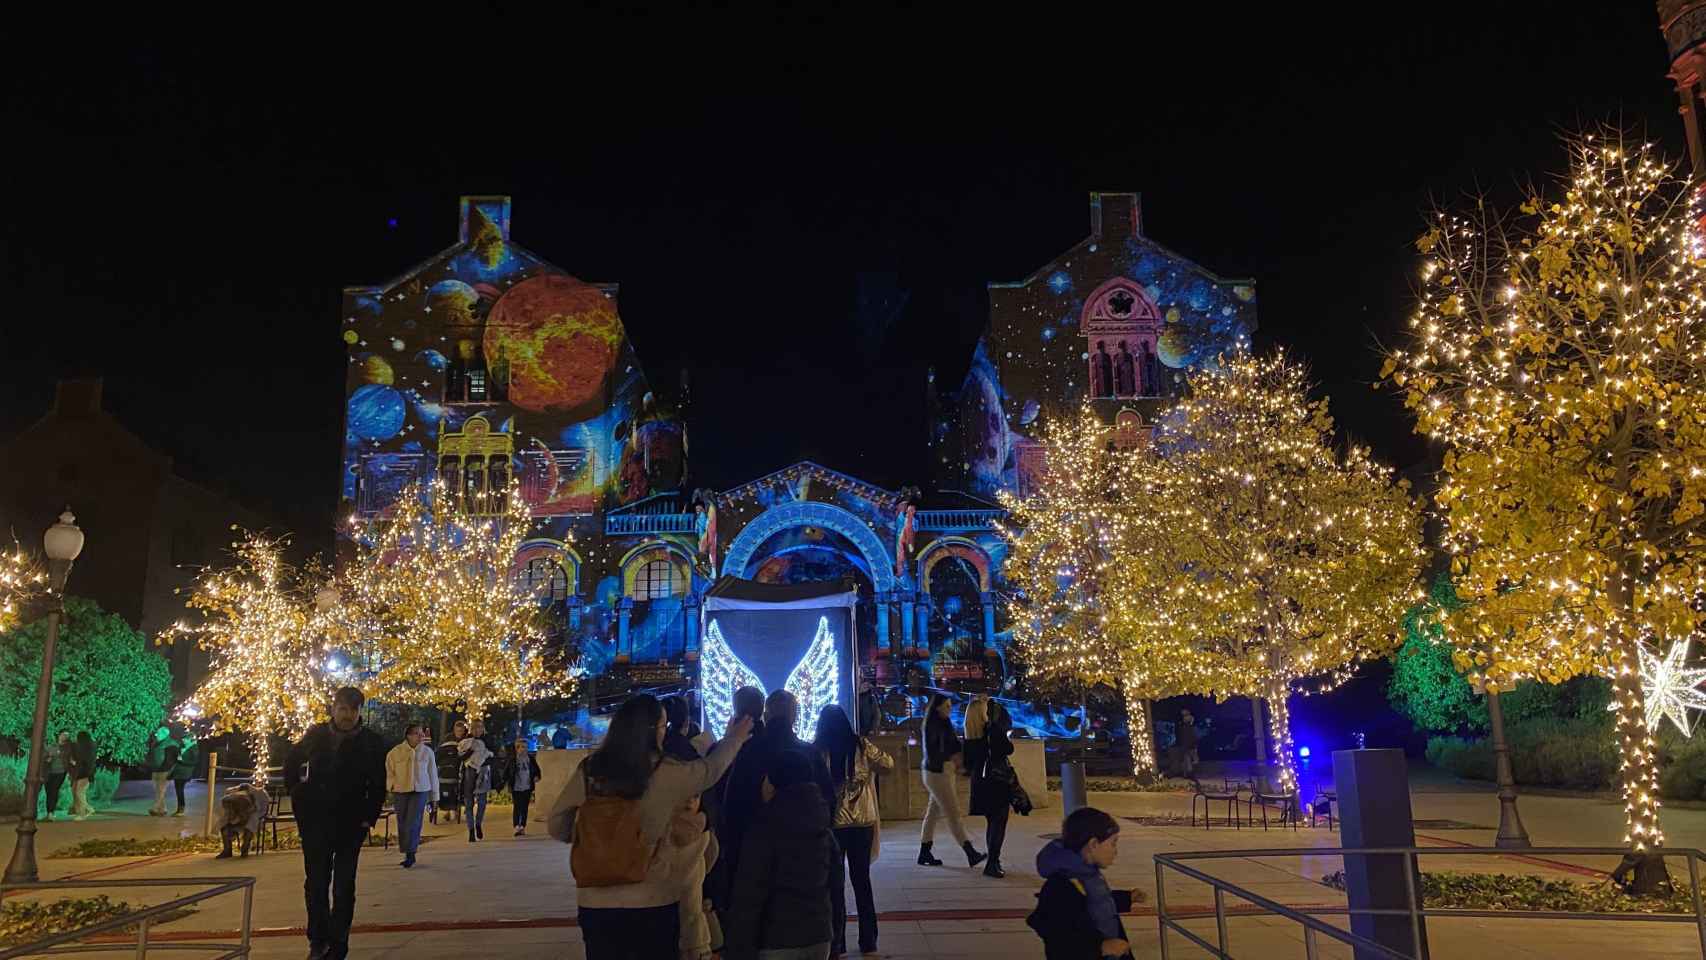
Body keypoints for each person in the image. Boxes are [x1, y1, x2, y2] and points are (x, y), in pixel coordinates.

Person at [548, 694, 755, 960]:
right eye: (662, 727)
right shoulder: (666, 771)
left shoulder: (591, 769)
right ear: (654, 731)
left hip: (594, 900)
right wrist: (734, 739)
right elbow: (709, 770)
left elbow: (556, 824)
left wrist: (590, 838)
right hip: (653, 898)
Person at [284, 686, 386, 960]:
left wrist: (368, 816)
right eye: (343, 709)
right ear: (333, 709)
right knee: (316, 883)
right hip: (316, 823)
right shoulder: (314, 736)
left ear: (359, 712)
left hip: (351, 825)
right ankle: (318, 940)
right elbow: (291, 766)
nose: (348, 715)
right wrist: (298, 798)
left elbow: (378, 783)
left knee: (344, 885)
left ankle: (339, 943)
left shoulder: (371, 742)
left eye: (353, 710)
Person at [724, 749, 837, 960]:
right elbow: (836, 886)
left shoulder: (764, 828)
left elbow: (749, 894)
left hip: (777, 938)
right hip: (819, 936)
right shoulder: (822, 825)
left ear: (775, 784)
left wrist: (738, 948)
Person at [815, 704, 893, 956]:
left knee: (834, 886)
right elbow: (889, 764)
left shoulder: (819, 750)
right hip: (862, 823)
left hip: (833, 824)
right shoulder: (860, 745)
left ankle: (837, 942)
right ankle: (868, 940)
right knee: (862, 881)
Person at [1028, 807, 1135, 960]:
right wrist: (1100, 947)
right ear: (1093, 845)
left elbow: (1095, 903)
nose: (1115, 851)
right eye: (1113, 843)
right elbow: (1058, 937)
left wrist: (1127, 898)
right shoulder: (1059, 887)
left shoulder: (1088, 875)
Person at [919, 693, 984, 868]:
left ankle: (924, 851)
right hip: (938, 773)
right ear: (938, 707)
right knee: (953, 814)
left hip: (936, 772)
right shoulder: (936, 725)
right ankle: (970, 852)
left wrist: (957, 762)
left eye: (950, 706)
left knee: (933, 812)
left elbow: (950, 746)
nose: (949, 709)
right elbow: (946, 748)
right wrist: (958, 762)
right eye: (946, 706)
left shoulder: (937, 722)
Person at [965, 697, 1016, 879]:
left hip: (980, 779)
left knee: (991, 821)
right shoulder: (993, 730)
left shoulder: (970, 734)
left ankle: (993, 861)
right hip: (996, 780)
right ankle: (993, 862)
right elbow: (1008, 749)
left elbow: (968, 761)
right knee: (999, 821)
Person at [385, 723, 438, 868]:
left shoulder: (427, 752)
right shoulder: (395, 752)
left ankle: (411, 853)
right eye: (417, 733)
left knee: (413, 821)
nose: (421, 736)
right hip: (401, 790)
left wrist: (435, 797)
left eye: (422, 734)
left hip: (420, 790)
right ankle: (406, 850)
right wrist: (391, 786)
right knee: (402, 821)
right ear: (408, 735)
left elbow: (433, 774)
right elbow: (389, 771)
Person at [457, 721, 493, 840]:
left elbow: (493, 756)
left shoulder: (488, 740)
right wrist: (471, 751)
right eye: (474, 728)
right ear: (471, 729)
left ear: (483, 729)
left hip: (483, 773)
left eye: (480, 728)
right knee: (469, 803)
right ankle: (471, 830)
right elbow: (461, 757)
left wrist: (483, 759)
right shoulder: (466, 741)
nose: (477, 730)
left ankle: (478, 824)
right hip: (469, 772)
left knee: (482, 802)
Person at [502, 737, 542, 836]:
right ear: (517, 748)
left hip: (527, 786)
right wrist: (506, 783)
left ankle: (522, 826)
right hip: (516, 786)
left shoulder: (530, 759)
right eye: (522, 747)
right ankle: (516, 826)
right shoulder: (513, 760)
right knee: (517, 807)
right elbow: (506, 772)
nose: (524, 749)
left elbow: (537, 770)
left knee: (524, 807)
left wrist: (537, 776)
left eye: (526, 747)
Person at [146, 726, 176, 817]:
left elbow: (171, 760)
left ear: (164, 734)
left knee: (161, 790)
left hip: (165, 771)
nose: (156, 735)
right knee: (158, 790)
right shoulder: (157, 743)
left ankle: (155, 808)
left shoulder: (171, 744)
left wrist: (168, 770)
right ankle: (163, 809)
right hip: (156, 769)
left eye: (158, 733)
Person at [170, 732, 200, 817]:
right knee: (178, 790)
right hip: (179, 772)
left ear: (190, 739)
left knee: (179, 790)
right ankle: (180, 809)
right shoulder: (182, 747)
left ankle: (181, 809)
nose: (183, 741)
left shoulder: (194, 748)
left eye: (185, 739)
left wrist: (182, 760)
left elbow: (194, 762)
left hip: (185, 772)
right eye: (183, 739)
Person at [42, 732, 70, 821]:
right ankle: (49, 812)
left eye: (66, 736)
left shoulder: (67, 748)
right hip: (50, 772)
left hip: (60, 772)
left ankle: (51, 813)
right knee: (48, 791)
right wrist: (47, 759)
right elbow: (44, 757)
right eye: (62, 735)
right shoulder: (52, 746)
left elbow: (70, 758)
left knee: (54, 790)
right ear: (59, 736)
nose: (64, 736)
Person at [70, 731, 96, 819]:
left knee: (79, 792)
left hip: (85, 773)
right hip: (81, 772)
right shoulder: (87, 747)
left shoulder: (87, 747)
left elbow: (86, 761)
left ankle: (82, 813)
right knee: (75, 791)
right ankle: (87, 809)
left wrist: (76, 762)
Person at [1177, 709, 1199, 776]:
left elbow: (1191, 737)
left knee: (1189, 760)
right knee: (1190, 759)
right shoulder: (1188, 727)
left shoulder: (1186, 727)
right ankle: (1188, 773)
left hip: (1188, 746)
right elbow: (1191, 737)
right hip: (1188, 746)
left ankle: (1188, 773)